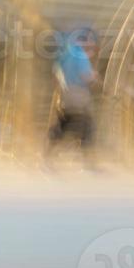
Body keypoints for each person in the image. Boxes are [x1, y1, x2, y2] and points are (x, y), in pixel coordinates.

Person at [46, 28, 99, 170]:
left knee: (63, 125)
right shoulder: (80, 55)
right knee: (88, 127)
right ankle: (88, 163)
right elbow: (85, 76)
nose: (92, 44)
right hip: (79, 95)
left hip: (65, 95)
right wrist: (94, 76)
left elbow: (55, 72)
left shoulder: (65, 54)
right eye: (90, 40)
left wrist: (63, 87)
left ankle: (47, 158)